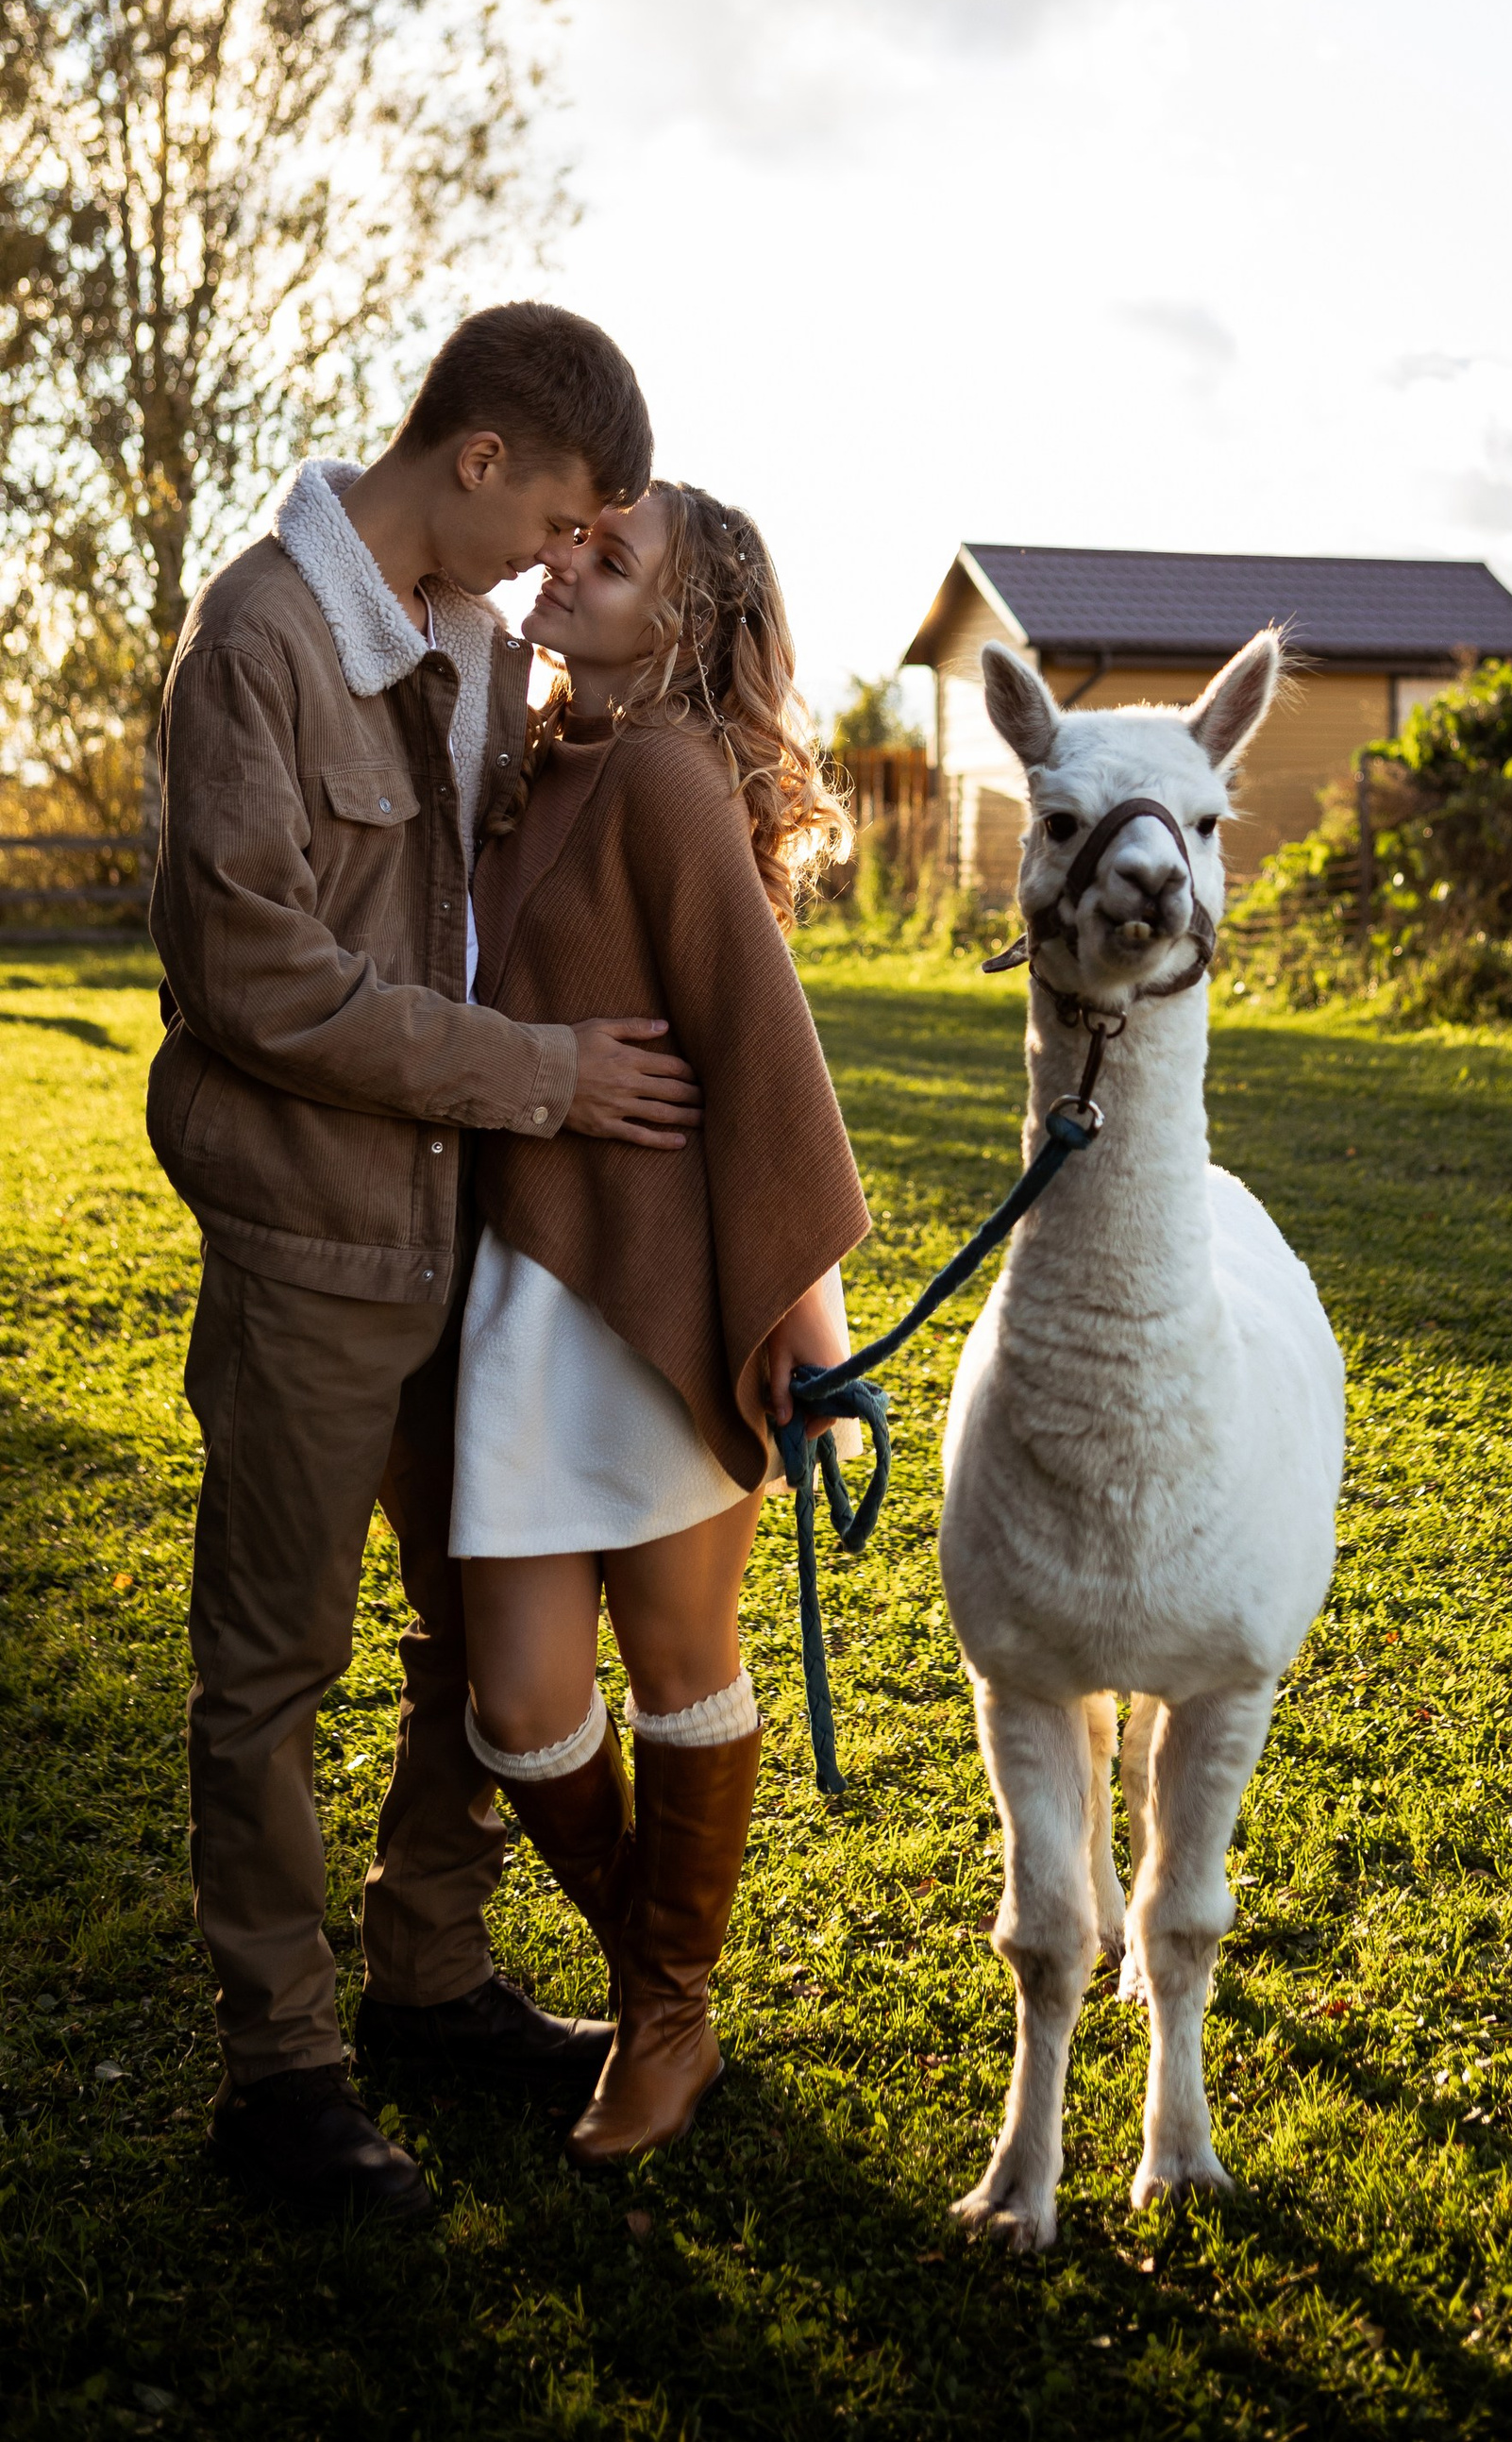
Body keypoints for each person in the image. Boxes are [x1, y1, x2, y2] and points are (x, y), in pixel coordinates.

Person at [151, 303, 711, 2231]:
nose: (558, 559)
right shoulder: (258, 638)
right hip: (311, 1240)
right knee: (273, 1659)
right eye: (555, 517)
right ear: (478, 457)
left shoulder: (477, 641)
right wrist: (539, 1074)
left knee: (473, 1631)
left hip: (468, 1237)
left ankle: (431, 1970)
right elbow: (256, 977)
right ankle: (281, 2074)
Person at [453, 479, 870, 2168]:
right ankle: (665, 1987)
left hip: (669, 1295)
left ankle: (666, 2018)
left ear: (682, 625)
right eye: (573, 538)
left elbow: (768, 1056)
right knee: (523, 1701)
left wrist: (809, 1334)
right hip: (517, 1294)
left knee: (682, 1668)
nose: (564, 560)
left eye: (607, 557)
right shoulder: (524, 756)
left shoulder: (670, 777)